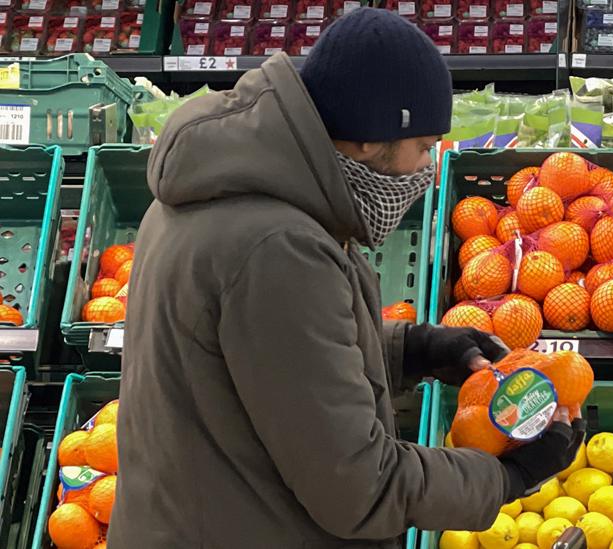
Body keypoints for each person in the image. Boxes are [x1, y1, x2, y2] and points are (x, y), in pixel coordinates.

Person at [108, 8, 584, 548]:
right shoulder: (278, 248)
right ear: (368, 139)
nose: (425, 171)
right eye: (424, 148)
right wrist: (505, 477)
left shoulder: (218, 192)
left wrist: (411, 351)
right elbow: (360, 486)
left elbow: (268, 358)